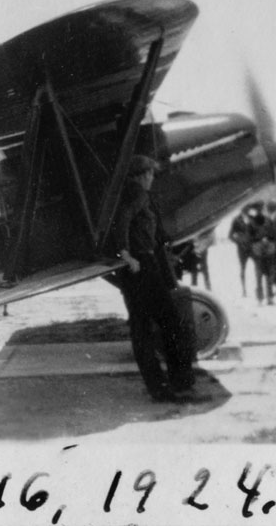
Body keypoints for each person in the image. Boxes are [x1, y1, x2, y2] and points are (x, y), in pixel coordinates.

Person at [113, 155, 204, 404]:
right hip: (141, 266)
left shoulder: (133, 193)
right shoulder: (137, 193)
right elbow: (123, 219)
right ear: (142, 175)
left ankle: (159, 388)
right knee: (170, 323)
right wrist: (126, 253)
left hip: (138, 267)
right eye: (151, 174)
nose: (152, 178)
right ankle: (180, 384)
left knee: (142, 328)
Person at [246, 205, 276, 305]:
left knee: (268, 276)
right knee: (259, 276)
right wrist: (260, 240)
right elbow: (249, 238)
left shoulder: (267, 221)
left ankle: (269, 298)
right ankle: (261, 299)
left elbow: (274, 235)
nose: (260, 211)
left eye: (261, 209)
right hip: (259, 253)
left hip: (267, 253)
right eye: (258, 210)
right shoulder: (251, 223)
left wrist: (267, 239)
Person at [228, 207, 253, 297]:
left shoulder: (252, 218)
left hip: (252, 247)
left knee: (259, 267)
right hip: (242, 248)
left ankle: (260, 290)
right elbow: (230, 235)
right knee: (243, 269)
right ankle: (244, 289)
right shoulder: (236, 220)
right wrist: (238, 241)